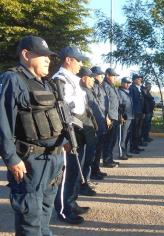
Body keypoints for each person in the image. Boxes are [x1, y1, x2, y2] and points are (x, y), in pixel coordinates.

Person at [0, 36, 65, 235]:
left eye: (49, 56)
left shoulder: (46, 83)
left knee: (45, 213)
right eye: (43, 56)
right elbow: (2, 121)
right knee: (31, 219)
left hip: (53, 158)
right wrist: (11, 158)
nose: (48, 60)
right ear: (26, 55)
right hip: (30, 161)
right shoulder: (12, 79)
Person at [53, 46, 90, 224]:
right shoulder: (60, 80)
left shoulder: (72, 79)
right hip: (68, 130)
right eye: (78, 60)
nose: (81, 64)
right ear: (68, 60)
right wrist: (66, 138)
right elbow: (60, 111)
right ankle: (63, 210)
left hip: (77, 126)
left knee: (76, 170)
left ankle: (71, 201)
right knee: (66, 173)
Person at [90, 66, 108, 178]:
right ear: (94, 75)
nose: (102, 76)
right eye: (100, 74)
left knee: (99, 148)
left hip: (102, 119)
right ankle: (93, 171)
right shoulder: (94, 87)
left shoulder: (100, 87)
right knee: (95, 149)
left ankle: (96, 169)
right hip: (96, 121)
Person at [102, 68, 121, 167]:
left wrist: (120, 115)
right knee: (108, 140)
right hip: (110, 117)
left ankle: (110, 158)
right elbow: (104, 103)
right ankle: (107, 160)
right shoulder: (105, 86)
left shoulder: (112, 86)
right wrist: (106, 117)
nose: (114, 78)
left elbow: (117, 101)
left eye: (115, 76)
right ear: (107, 75)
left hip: (115, 116)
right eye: (113, 76)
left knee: (113, 140)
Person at [118, 77, 134, 158]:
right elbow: (119, 106)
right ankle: (121, 154)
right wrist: (120, 116)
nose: (128, 84)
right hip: (124, 117)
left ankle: (125, 152)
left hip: (130, 117)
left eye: (129, 83)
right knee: (123, 137)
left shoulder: (128, 92)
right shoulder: (120, 92)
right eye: (126, 82)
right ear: (122, 83)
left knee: (127, 136)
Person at [129, 74, 145, 154]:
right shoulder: (132, 88)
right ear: (134, 80)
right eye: (138, 79)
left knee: (138, 131)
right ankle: (132, 148)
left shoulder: (139, 88)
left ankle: (136, 146)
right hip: (135, 112)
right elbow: (131, 101)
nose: (140, 80)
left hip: (139, 112)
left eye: (140, 79)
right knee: (134, 131)